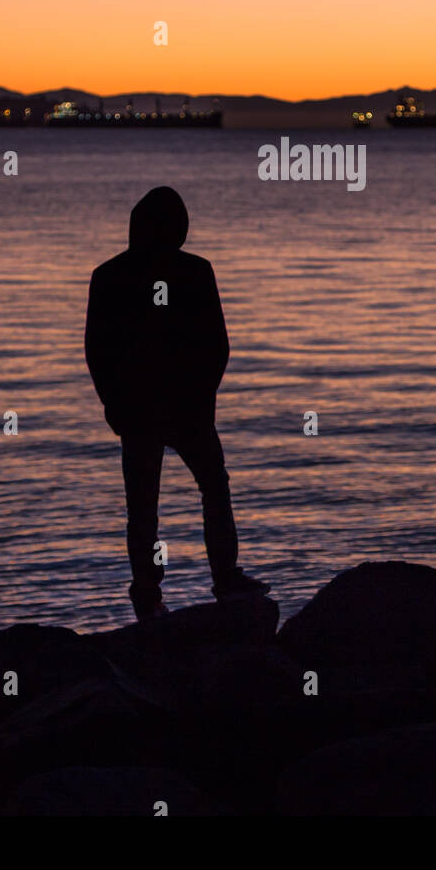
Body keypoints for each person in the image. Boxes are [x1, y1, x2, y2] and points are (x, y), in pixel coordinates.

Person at [85, 186, 268, 618]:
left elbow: (98, 350)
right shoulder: (194, 271)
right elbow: (216, 345)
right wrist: (201, 397)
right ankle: (221, 577)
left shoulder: (111, 274)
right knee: (210, 490)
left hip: (145, 410)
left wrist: (113, 402)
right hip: (178, 408)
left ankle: (149, 592)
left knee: (145, 508)